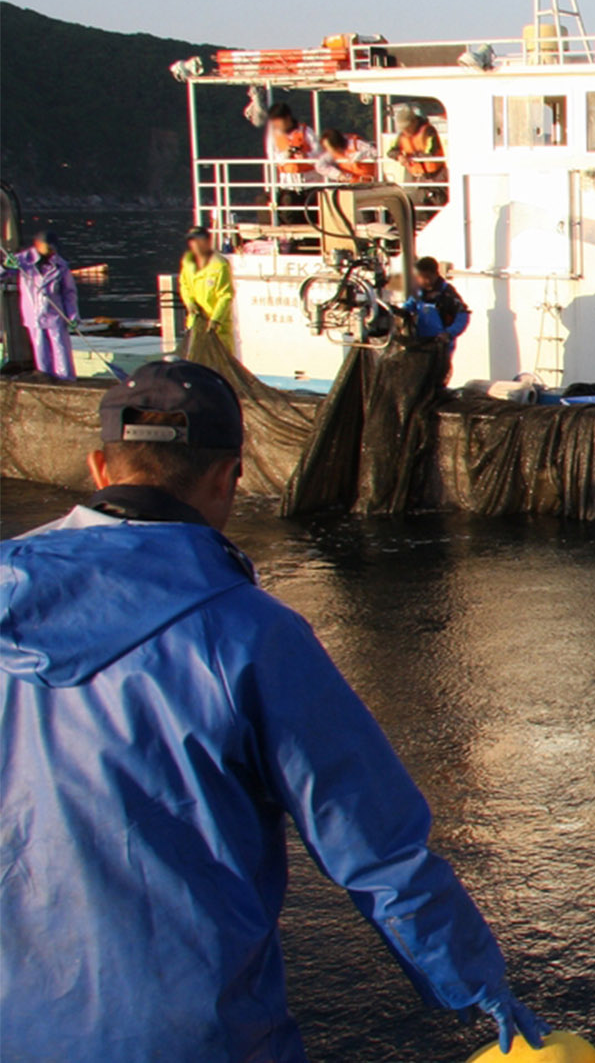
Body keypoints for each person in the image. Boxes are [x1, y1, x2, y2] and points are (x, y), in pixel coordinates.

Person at [0, 361, 546, 1060]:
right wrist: (477, 985)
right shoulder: (249, 636)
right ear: (231, 477)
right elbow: (372, 843)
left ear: (98, 468)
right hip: (195, 1036)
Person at [4, 229, 79, 380]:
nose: (52, 251)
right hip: (34, 313)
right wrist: (5, 267)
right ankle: (45, 378)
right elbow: (2, 276)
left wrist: (72, 316)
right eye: (49, 247)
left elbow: (69, 293)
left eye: (54, 247)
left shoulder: (60, 265)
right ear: (38, 245)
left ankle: (66, 379)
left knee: (61, 347)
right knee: (40, 348)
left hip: (55, 313)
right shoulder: (23, 260)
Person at [406, 256, 472, 385]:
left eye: (426, 277)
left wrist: (449, 333)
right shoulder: (419, 293)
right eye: (419, 277)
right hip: (422, 343)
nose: (423, 281)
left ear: (434, 274)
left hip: (441, 345)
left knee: (436, 379)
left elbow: (462, 316)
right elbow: (408, 307)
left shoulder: (447, 294)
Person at [178, 226, 236, 354]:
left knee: (219, 363)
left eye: (199, 240)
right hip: (196, 323)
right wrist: (189, 302)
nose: (196, 245)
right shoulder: (188, 262)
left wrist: (216, 320)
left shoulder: (219, 265)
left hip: (217, 328)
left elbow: (226, 295)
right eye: (192, 241)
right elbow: (184, 285)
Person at [263, 103, 319, 220]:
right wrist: (286, 154)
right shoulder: (273, 137)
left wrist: (306, 157)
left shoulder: (306, 132)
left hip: (310, 184)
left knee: (313, 217)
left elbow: (319, 153)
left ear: (287, 118)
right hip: (288, 185)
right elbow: (272, 157)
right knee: (290, 216)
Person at [391, 103, 447, 183]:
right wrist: (399, 156)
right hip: (413, 176)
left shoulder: (428, 132)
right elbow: (391, 151)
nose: (405, 131)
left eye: (407, 127)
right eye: (402, 128)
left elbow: (430, 151)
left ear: (414, 122)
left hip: (434, 176)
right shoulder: (402, 136)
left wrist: (412, 157)